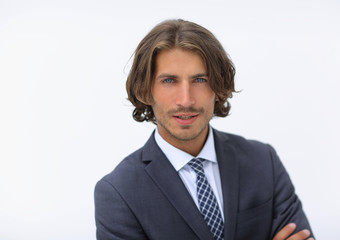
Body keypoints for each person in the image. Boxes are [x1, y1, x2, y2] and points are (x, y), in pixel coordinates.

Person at [94, 19, 314, 240]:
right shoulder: (118, 192)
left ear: (218, 86)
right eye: (169, 80)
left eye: (200, 79)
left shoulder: (263, 162)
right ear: (145, 90)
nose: (186, 100)